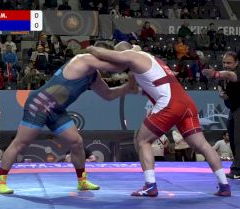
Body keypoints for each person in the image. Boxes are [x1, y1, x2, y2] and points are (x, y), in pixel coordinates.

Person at [87, 42, 231, 197]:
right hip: (186, 103)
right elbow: (145, 84)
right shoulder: (151, 59)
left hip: (171, 103)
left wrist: (91, 49)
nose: (119, 61)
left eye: (119, 56)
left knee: (142, 140)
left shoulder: (132, 55)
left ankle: (150, 185)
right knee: (203, 145)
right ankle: (224, 186)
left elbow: (106, 55)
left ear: (123, 53)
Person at [0, 42, 136, 194]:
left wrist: (127, 88)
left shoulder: (94, 76)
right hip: (39, 104)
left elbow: (108, 95)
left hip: (57, 110)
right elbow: (119, 66)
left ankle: (82, 181)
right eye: (108, 56)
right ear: (100, 54)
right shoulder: (83, 59)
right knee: (20, 143)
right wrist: (135, 51)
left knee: (77, 142)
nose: (111, 59)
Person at [203, 51, 240, 180]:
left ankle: (237, 171)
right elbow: (220, 86)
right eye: (224, 62)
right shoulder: (224, 78)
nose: (226, 65)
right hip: (234, 109)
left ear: (236, 63)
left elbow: (229, 75)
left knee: (239, 139)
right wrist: (221, 93)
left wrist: (214, 73)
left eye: (229, 62)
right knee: (232, 137)